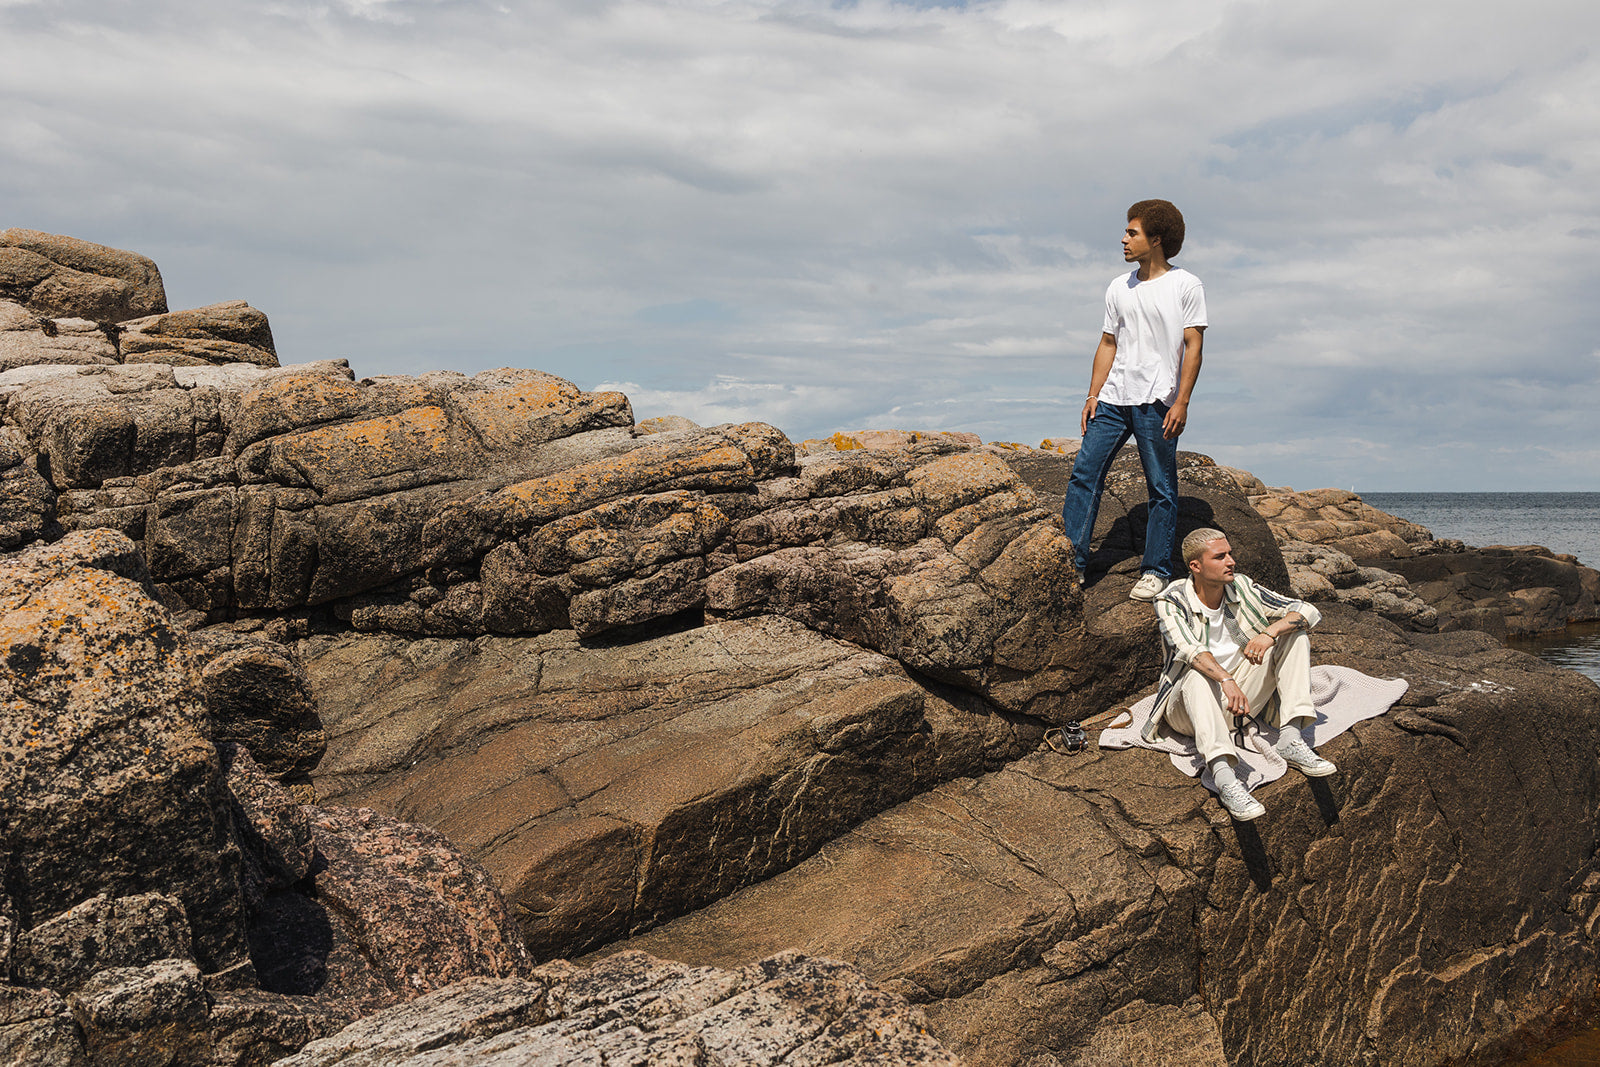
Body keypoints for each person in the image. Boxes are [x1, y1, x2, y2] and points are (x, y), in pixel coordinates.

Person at [1061, 200, 1207, 601]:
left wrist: (1182, 401)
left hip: (1158, 398)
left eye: (1133, 233)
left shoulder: (1186, 285)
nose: (1124, 239)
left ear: (1156, 239)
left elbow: (1193, 346)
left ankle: (1156, 569)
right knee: (1083, 475)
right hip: (1113, 398)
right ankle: (1071, 564)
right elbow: (1108, 342)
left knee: (1160, 487)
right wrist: (1092, 393)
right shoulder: (1117, 286)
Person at [1144, 527, 1336, 821]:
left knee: (1294, 635)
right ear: (1196, 566)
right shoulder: (1171, 601)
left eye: (1230, 553)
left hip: (1242, 701)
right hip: (1188, 708)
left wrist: (1270, 633)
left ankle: (1291, 738)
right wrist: (1226, 680)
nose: (1231, 561)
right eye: (1220, 556)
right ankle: (1226, 780)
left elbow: (1306, 611)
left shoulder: (1242, 587)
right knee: (1196, 675)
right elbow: (1190, 650)